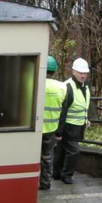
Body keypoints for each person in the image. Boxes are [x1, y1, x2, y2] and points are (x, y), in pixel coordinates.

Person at [53, 57, 91, 184]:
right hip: (68, 126)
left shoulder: (85, 86)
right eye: (81, 73)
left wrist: (86, 118)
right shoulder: (68, 87)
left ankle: (56, 173)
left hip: (78, 126)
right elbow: (62, 111)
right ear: (74, 72)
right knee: (74, 151)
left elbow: (84, 104)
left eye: (85, 73)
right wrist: (59, 131)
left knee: (62, 149)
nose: (84, 76)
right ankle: (66, 175)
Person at [40, 56, 66, 190]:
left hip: (34, 129)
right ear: (54, 70)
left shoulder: (34, 82)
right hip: (51, 129)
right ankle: (45, 183)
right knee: (47, 156)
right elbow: (64, 111)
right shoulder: (62, 87)